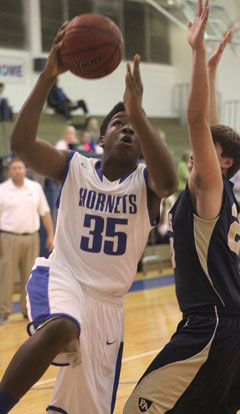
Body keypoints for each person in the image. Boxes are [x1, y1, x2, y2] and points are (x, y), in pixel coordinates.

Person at [0, 21, 178, 414]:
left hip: (109, 308)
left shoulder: (147, 183)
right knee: (62, 326)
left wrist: (137, 112)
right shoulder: (74, 167)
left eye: (134, 127)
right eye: (119, 124)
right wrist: (48, 76)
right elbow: (21, 144)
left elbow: (168, 181)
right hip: (64, 276)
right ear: (101, 139)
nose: (127, 130)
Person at [124, 2, 240, 413]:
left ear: (223, 162)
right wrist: (210, 68)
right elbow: (207, 127)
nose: (197, 151)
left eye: (210, 150)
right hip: (227, 323)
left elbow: (195, 121)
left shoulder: (211, 185)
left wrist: (193, 54)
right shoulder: (221, 190)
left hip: (209, 323)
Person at [0, 158, 54, 324]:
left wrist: (51, 235)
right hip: (8, 238)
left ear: (25, 170)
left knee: (30, 277)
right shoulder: (2, 189)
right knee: (5, 277)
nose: (17, 171)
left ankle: (27, 311)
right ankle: (4, 312)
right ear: (9, 171)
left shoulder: (35, 188)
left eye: (20, 168)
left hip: (32, 237)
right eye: (14, 168)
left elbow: (45, 213)